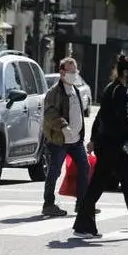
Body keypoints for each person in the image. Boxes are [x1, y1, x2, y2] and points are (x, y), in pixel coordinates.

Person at [72, 55, 128, 238]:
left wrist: (93, 139)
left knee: (113, 182)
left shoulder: (110, 89)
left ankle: (86, 224)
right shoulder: (118, 91)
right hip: (112, 146)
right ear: (126, 72)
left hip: (108, 144)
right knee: (120, 181)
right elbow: (124, 119)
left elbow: (100, 118)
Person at [41, 57, 93, 217]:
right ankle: (48, 204)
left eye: (75, 70)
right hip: (60, 141)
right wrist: (63, 126)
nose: (74, 73)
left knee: (85, 168)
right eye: (71, 71)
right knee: (54, 172)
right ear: (62, 72)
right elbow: (49, 113)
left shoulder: (75, 89)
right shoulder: (54, 92)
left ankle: (82, 203)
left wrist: (78, 134)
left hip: (76, 140)